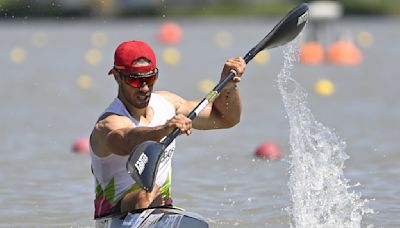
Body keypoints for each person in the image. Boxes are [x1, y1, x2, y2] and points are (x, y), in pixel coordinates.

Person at [90, 40, 246, 218]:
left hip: (159, 209)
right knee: (148, 193)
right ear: (117, 76)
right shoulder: (108, 123)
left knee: (152, 195)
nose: (144, 88)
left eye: (149, 78)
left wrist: (229, 86)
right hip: (115, 216)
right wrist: (163, 129)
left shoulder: (168, 103)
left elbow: (226, 119)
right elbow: (125, 141)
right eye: (134, 80)